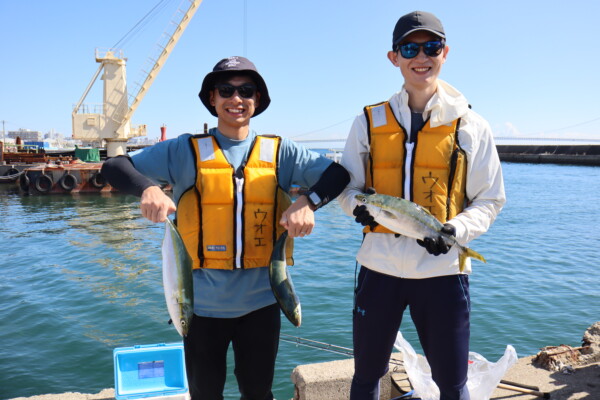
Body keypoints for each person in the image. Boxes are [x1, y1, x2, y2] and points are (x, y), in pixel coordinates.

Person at [101, 56, 349, 400]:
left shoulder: (282, 152)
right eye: (226, 90)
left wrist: (309, 202)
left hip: (263, 304)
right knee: (205, 394)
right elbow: (113, 167)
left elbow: (338, 175)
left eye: (247, 90)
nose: (237, 98)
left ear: (257, 100)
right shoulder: (182, 151)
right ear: (212, 99)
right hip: (199, 308)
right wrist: (148, 187)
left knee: (258, 392)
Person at [337, 11, 506, 400]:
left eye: (430, 46)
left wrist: (455, 232)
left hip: (443, 271)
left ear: (445, 52)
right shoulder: (367, 121)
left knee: (453, 382)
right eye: (409, 48)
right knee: (366, 376)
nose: (421, 57)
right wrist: (355, 208)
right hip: (378, 267)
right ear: (393, 57)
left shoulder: (472, 125)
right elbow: (348, 189)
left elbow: (490, 198)